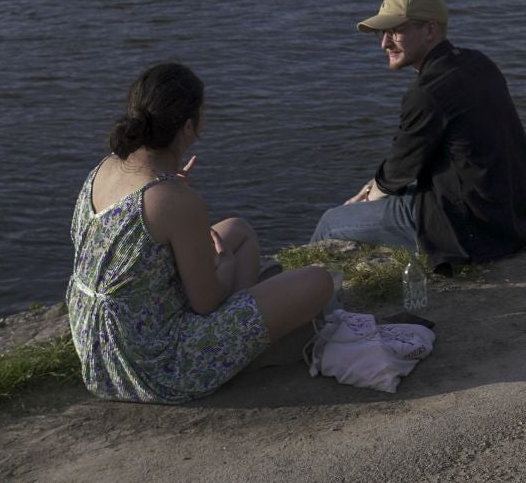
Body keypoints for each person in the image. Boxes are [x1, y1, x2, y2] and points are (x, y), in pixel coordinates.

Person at [68, 62, 333, 404]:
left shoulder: (105, 168)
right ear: (189, 126)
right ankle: (241, 353)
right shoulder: (175, 199)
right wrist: (222, 265)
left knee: (238, 229)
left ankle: (245, 336)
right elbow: (206, 302)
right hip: (154, 368)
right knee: (318, 281)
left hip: (98, 355)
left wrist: (171, 184)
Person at [311, 0, 526, 270]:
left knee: (331, 221)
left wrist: (366, 199)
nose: (384, 43)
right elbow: (414, 153)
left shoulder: (429, 91)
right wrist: (374, 185)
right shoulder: (479, 62)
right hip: (516, 218)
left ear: (429, 30)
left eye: (394, 31)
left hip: (471, 232)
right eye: (381, 34)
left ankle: (310, 304)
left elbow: (400, 170)